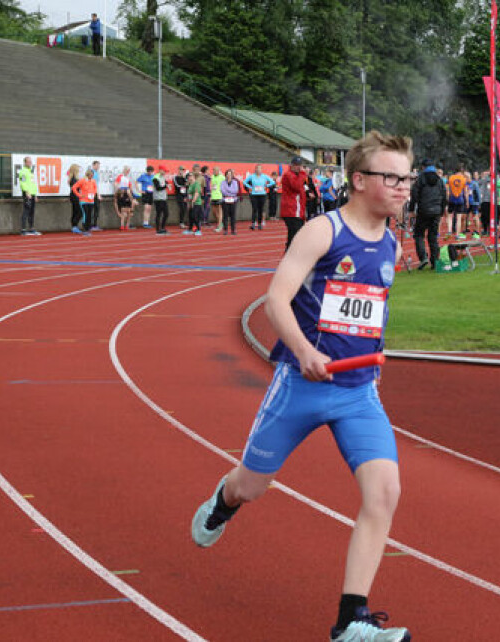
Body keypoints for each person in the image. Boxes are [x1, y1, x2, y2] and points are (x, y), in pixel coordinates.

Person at [191, 131, 413, 642]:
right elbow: (277, 298)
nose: (403, 186)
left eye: (405, 177)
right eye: (392, 177)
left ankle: (350, 621)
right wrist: (307, 351)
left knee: (384, 495)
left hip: (359, 392)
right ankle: (225, 501)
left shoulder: (392, 242)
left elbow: (366, 312)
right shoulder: (321, 231)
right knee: (253, 486)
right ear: (360, 181)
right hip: (301, 385)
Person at [409, 159, 446, 270]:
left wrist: (411, 209)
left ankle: (423, 257)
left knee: (419, 234)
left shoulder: (420, 179)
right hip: (436, 211)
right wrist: (442, 210)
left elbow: (414, 194)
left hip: (423, 210)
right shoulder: (439, 180)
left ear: (423, 167)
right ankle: (435, 261)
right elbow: (444, 196)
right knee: (433, 236)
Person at [280, 156, 308, 250]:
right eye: (296, 165)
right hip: (291, 210)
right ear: (291, 165)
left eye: (299, 165)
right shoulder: (289, 175)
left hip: (297, 210)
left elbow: (301, 190)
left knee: (294, 235)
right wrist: (303, 174)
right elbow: (296, 186)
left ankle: (290, 255)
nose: (298, 167)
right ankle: (290, 255)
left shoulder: (297, 176)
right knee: (295, 234)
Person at [243, 165, 274, 230]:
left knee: (261, 209)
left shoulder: (264, 176)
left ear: (261, 170)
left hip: (262, 194)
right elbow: (244, 182)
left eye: (259, 169)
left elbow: (272, 182)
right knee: (254, 209)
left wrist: (266, 185)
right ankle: (253, 224)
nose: (258, 170)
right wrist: (250, 187)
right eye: (257, 169)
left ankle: (260, 224)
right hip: (254, 194)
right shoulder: (252, 176)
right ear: (255, 170)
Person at [17, 156, 40, 236]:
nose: (30, 163)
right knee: (26, 211)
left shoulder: (30, 172)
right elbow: (22, 183)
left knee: (32, 212)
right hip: (27, 194)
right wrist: (27, 192)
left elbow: (33, 184)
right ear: (25, 162)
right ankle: (23, 229)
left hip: (32, 194)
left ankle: (31, 228)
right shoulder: (23, 172)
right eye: (28, 162)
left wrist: (35, 195)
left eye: (31, 162)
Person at [71, 169, 98, 236]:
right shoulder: (82, 180)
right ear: (87, 174)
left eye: (92, 175)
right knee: (85, 215)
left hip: (91, 201)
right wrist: (79, 195)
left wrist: (93, 194)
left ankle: (88, 228)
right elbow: (74, 187)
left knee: (89, 215)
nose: (91, 176)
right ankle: (85, 229)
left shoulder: (93, 181)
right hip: (84, 201)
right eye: (90, 175)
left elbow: (95, 188)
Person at [446, 167, 468, 238]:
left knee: (449, 216)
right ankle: (457, 234)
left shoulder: (450, 178)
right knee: (458, 218)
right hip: (460, 199)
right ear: (461, 172)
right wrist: (467, 201)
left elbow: (447, 190)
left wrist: (447, 198)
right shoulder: (464, 179)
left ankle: (449, 231)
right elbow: (465, 192)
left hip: (452, 198)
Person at [114, 166, 135, 231]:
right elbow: (116, 184)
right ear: (124, 170)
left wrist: (132, 194)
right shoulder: (120, 176)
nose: (128, 172)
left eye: (128, 171)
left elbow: (130, 186)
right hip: (121, 194)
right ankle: (122, 225)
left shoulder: (127, 178)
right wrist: (119, 191)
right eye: (127, 170)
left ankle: (127, 225)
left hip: (127, 194)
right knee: (124, 212)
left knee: (128, 211)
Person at [220, 169, 241, 235]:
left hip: (233, 200)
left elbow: (235, 190)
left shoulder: (235, 182)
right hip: (225, 200)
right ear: (225, 175)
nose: (229, 176)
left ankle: (233, 230)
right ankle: (225, 229)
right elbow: (223, 191)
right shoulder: (223, 182)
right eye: (227, 174)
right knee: (225, 216)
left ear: (232, 175)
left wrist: (228, 191)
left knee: (233, 216)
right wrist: (230, 192)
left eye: (230, 174)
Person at [185, 168, 204, 236]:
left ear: (194, 177)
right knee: (190, 217)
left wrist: (193, 201)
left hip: (197, 203)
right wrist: (188, 201)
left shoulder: (197, 184)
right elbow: (189, 194)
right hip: (191, 203)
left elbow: (196, 193)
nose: (189, 177)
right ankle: (190, 229)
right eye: (189, 176)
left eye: (191, 176)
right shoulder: (190, 184)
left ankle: (198, 230)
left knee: (195, 216)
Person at [152, 166, 170, 234]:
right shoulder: (155, 178)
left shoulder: (163, 177)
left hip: (163, 198)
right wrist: (166, 186)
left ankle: (162, 227)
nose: (165, 172)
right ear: (160, 170)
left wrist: (167, 185)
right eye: (164, 171)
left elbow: (165, 183)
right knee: (159, 214)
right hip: (158, 198)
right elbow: (158, 188)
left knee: (166, 213)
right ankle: (158, 229)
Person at [210, 167, 224, 232]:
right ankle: (220, 222)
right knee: (214, 212)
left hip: (220, 196)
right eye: (213, 170)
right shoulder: (212, 177)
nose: (214, 171)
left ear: (218, 171)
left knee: (219, 211)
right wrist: (210, 195)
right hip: (213, 196)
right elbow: (211, 186)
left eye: (215, 170)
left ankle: (219, 225)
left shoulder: (222, 177)